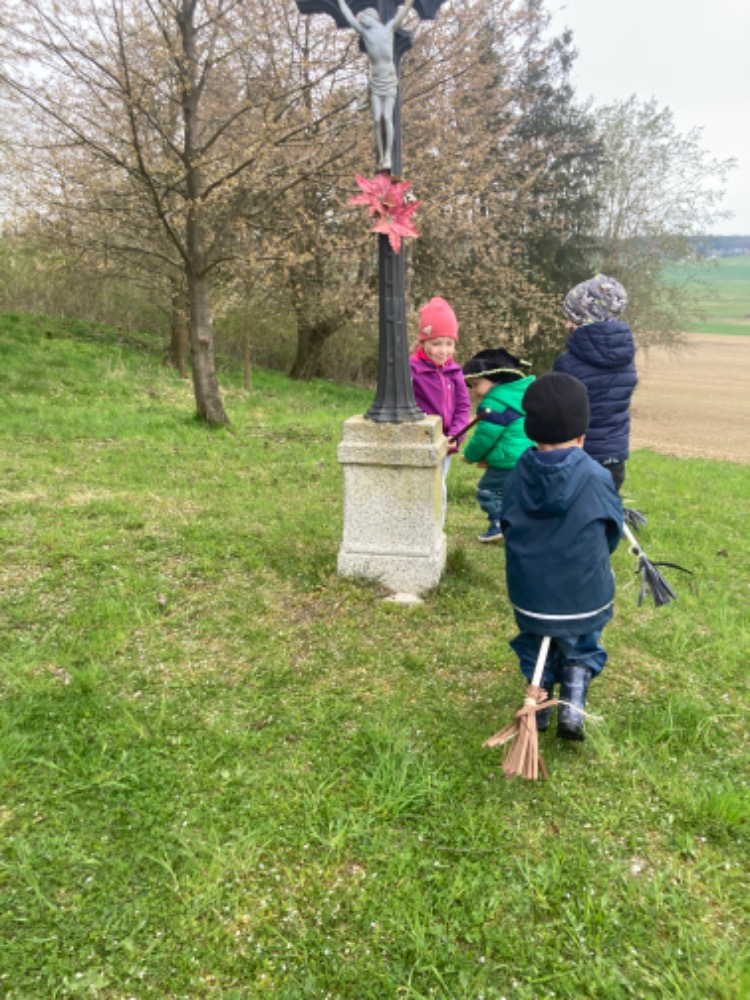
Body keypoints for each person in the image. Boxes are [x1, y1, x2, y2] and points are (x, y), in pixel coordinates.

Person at [500, 372, 623, 740]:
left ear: (532, 431)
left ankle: (538, 705)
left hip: (530, 594)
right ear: (582, 435)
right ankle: (572, 705)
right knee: (581, 643)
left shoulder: (517, 475)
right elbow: (612, 531)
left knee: (536, 641)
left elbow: (507, 523)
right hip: (583, 594)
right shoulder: (596, 476)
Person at [552, 274, 637, 492]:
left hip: (578, 458)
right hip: (615, 458)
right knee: (603, 506)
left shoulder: (568, 363)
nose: (567, 323)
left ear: (585, 318)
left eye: (572, 317)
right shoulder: (626, 360)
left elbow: (554, 411)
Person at [460, 349, 535, 542]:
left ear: (493, 378)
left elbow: (485, 437)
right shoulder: (522, 394)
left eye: (476, 384)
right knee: (519, 493)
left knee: (488, 490)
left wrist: (470, 455)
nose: (474, 391)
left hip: (508, 460)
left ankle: (498, 525)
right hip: (530, 456)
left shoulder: (494, 402)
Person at [409, 297, 471, 524]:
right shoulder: (411, 370)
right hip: (419, 441)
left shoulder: (455, 372)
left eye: (449, 344)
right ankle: (413, 527)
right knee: (416, 487)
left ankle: (435, 529)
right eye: (436, 344)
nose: (443, 351)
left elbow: (463, 407)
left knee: (438, 486)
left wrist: (455, 435)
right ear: (423, 342)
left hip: (445, 444)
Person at [336, 0, 414, 171]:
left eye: (365, 16)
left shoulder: (388, 29)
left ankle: (388, 156)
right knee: (377, 119)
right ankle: (382, 157)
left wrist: (409, 3)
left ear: (373, 18)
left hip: (389, 79)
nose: (362, 18)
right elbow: (349, 17)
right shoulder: (364, 33)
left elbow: (402, 12)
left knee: (387, 117)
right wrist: (341, 2)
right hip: (377, 80)